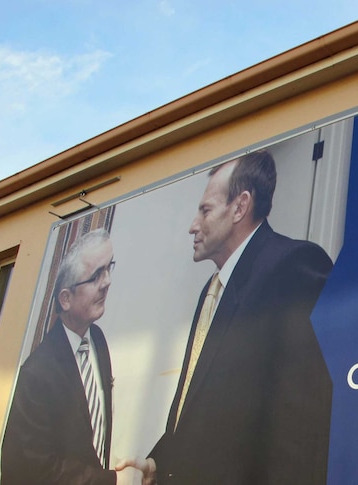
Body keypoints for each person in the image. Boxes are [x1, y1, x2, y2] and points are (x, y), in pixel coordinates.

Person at [136, 150, 333, 485]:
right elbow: (202, 404)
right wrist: (161, 459)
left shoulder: (295, 266)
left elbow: (300, 427)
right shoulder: (212, 290)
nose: (192, 226)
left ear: (240, 207)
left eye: (205, 210)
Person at [1, 228, 127, 485]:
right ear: (65, 299)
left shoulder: (98, 340)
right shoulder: (36, 374)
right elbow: (32, 471)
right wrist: (113, 481)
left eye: (108, 268)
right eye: (95, 276)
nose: (107, 282)